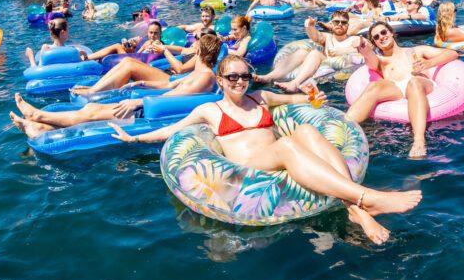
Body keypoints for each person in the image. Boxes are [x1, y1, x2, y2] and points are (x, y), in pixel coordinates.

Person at [106, 54, 423, 244]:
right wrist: (134, 139)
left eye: (245, 76)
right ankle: (367, 198)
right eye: (233, 77)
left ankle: (359, 211)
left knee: (308, 129)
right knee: (287, 143)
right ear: (220, 79)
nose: (240, 81)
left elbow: (299, 101)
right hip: (248, 171)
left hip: (282, 160)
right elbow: (171, 131)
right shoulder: (209, 111)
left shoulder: (262, 98)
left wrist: (314, 97)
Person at [11, 35, 222, 131]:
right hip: (148, 104)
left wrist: (139, 102)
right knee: (92, 108)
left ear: (199, 51)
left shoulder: (205, 77)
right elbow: (170, 86)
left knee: (92, 113)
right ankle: (37, 126)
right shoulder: (200, 74)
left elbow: (175, 98)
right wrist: (140, 84)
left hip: (148, 111)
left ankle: (37, 115)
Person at [346, 22, 459, 157]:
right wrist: (363, 48)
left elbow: (452, 53)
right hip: (397, 89)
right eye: (376, 37)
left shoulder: (417, 50)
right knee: (374, 86)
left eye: (383, 32)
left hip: (421, 84)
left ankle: (418, 141)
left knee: (413, 82)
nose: (381, 37)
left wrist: (428, 63)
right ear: (375, 43)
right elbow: (369, 57)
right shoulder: (381, 61)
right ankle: (343, 127)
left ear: (391, 33)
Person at [254, 11, 360, 92]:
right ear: (331, 24)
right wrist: (310, 26)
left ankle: (295, 83)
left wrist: (340, 51)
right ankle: (268, 77)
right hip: (322, 64)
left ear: (348, 25)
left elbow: (361, 49)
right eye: (337, 22)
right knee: (302, 52)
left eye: (344, 22)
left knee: (315, 53)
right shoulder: (327, 37)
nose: (340, 24)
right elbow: (316, 36)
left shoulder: (353, 39)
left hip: (337, 70)